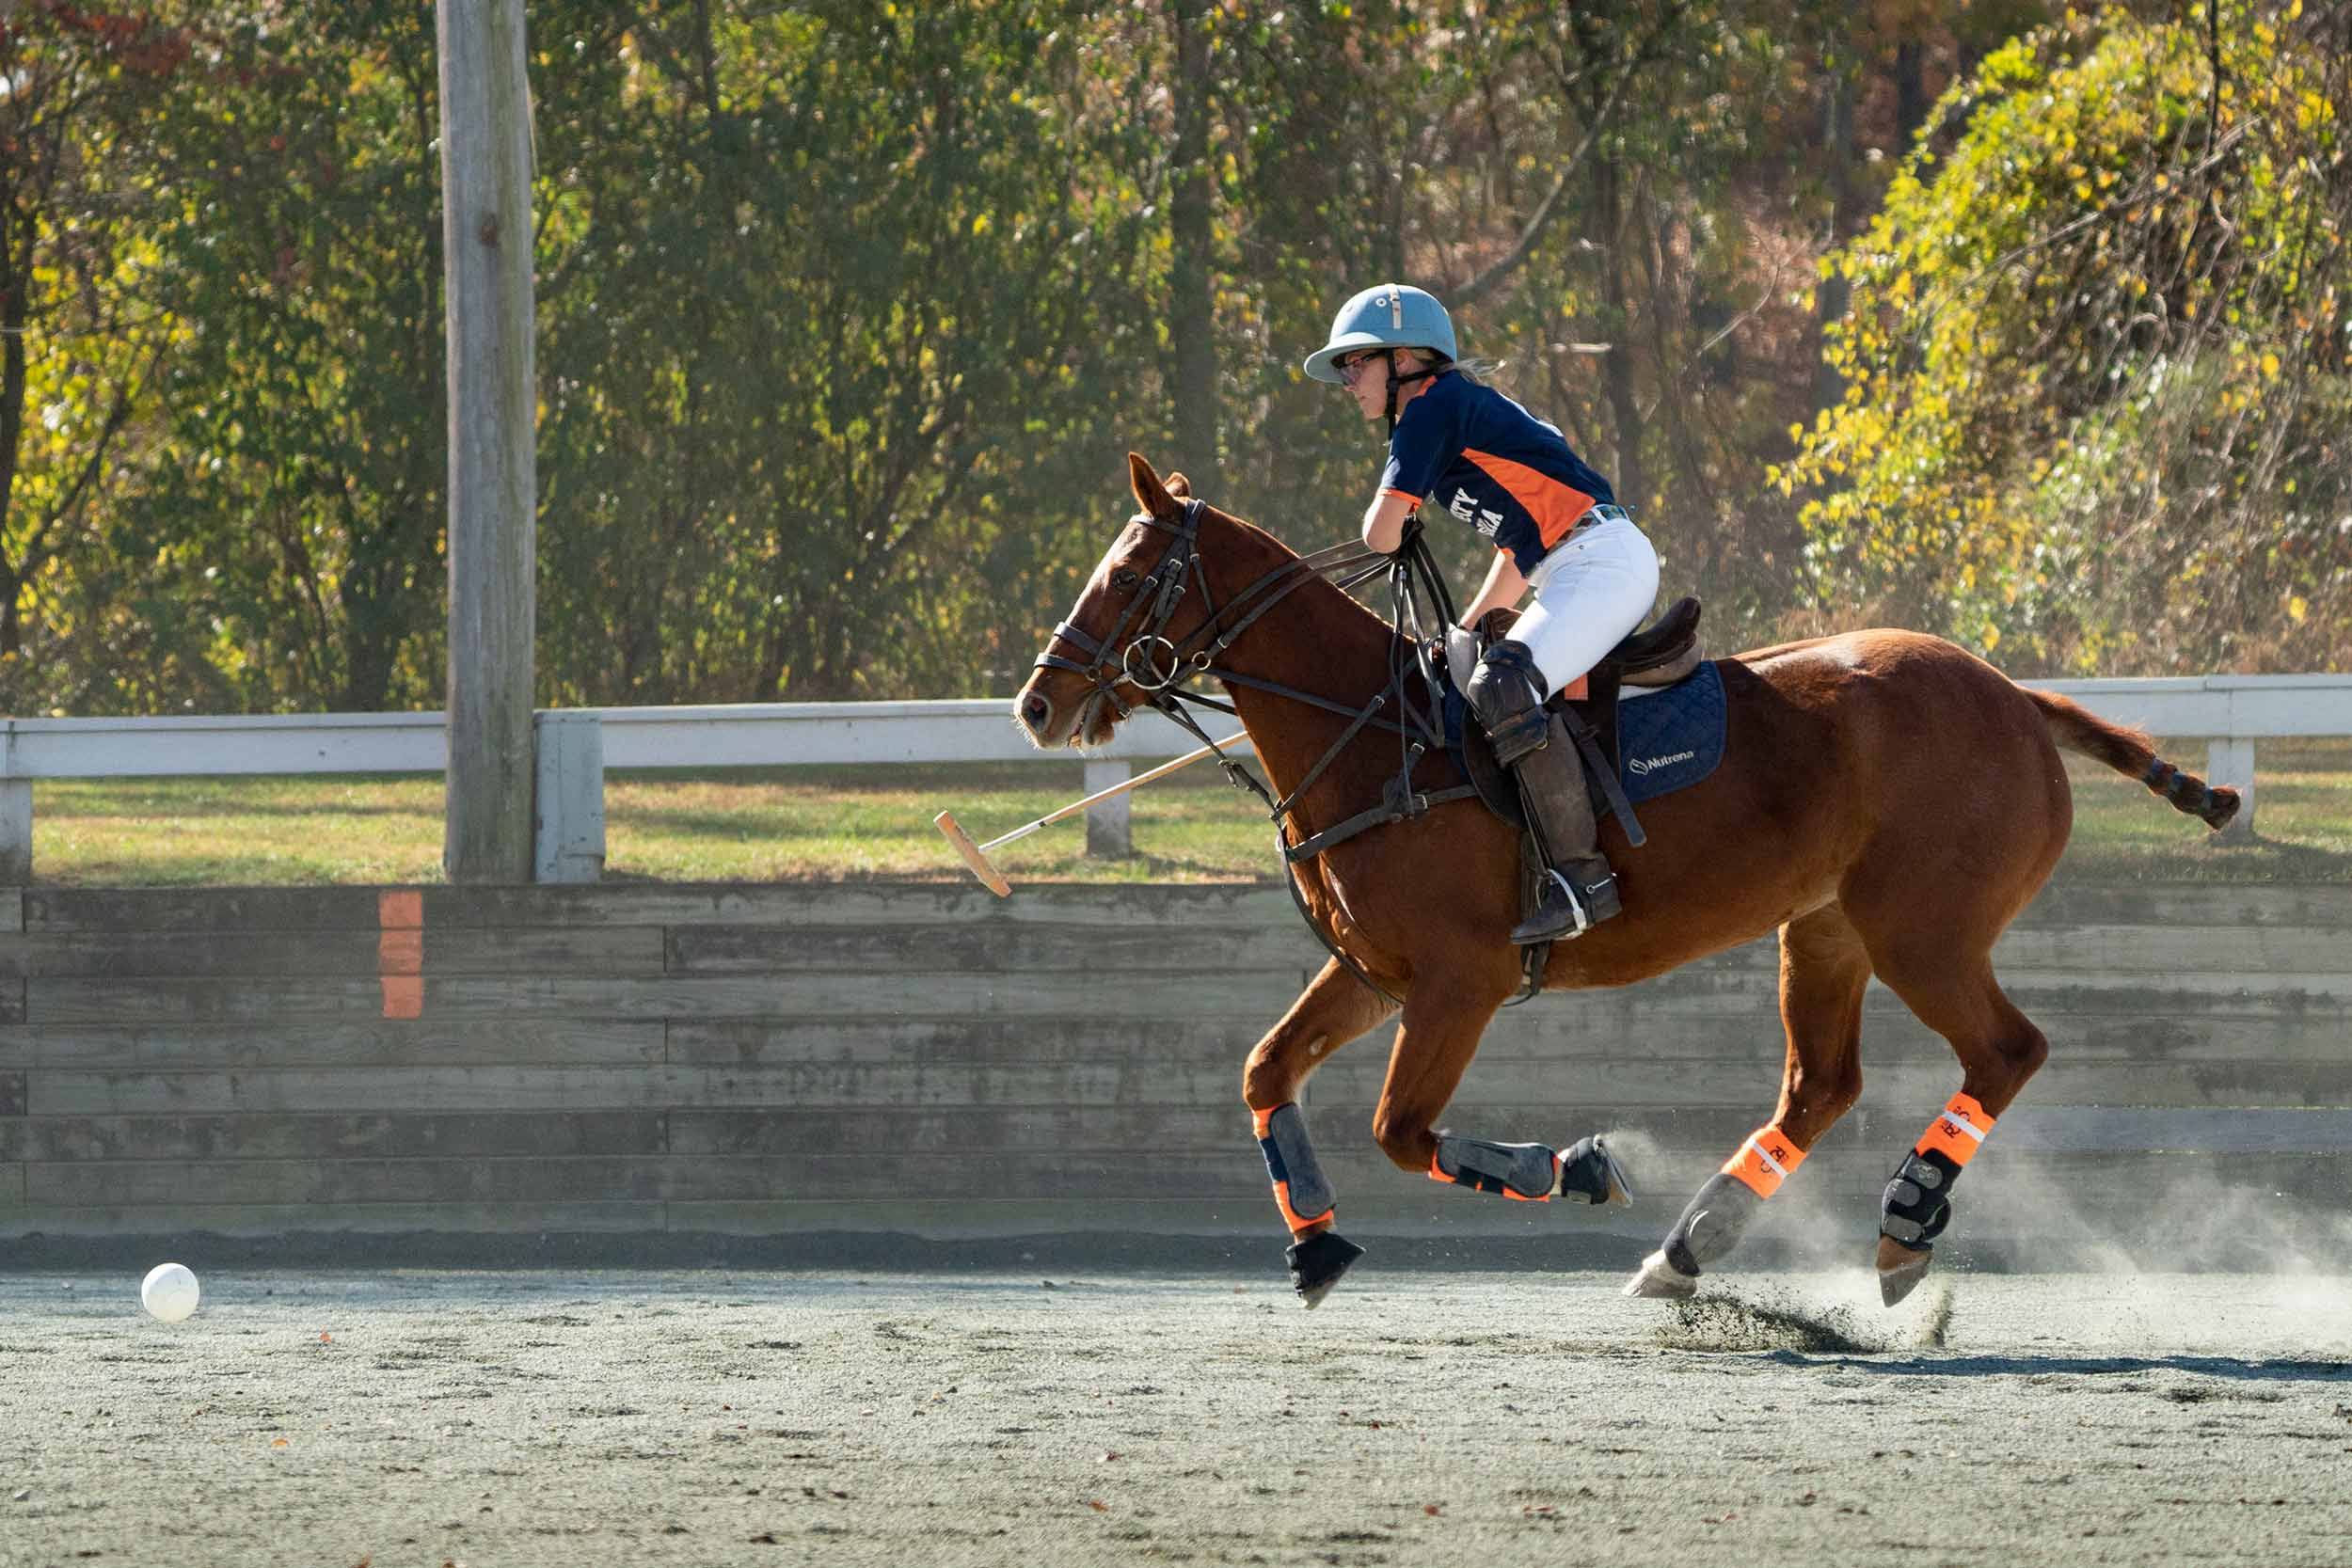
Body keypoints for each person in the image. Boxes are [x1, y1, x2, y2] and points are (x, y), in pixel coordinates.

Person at [1303, 282, 1660, 942]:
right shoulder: (1453, 417)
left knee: (1501, 683)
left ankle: (1584, 880)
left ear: (1406, 357)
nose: (1348, 381)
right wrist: (1461, 631)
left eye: (1356, 363)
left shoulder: (1431, 411)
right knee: (1476, 669)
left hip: (1601, 560)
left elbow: (1379, 534)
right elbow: (1514, 558)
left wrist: (1397, 513)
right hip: (1572, 564)